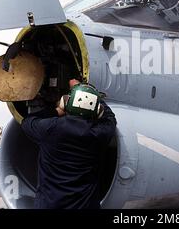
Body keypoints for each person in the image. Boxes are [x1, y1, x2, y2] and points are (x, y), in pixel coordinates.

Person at [20, 79, 117, 209]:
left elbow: (27, 121)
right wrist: (93, 96)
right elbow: (110, 118)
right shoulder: (99, 134)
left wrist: (57, 110)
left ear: (66, 104)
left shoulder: (50, 128)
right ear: (97, 110)